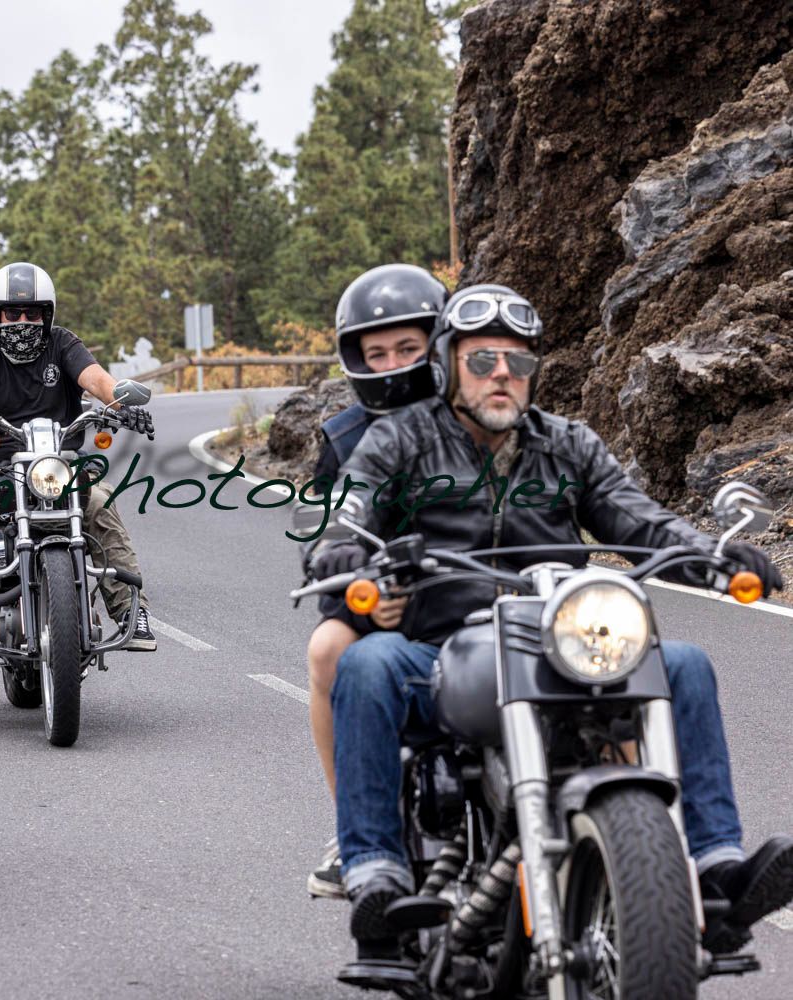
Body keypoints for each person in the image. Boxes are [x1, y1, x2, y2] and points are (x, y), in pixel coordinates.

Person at [312, 283, 793, 958]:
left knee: (684, 664)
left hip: (562, 643)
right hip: (445, 651)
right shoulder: (401, 439)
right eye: (483, 361)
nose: (501, 374)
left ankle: (715, 868)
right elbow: (354, 503)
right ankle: (375, 873)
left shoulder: (568, 444)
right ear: (448, 365)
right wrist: (344, 545)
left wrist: (715, 554)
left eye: (517, 362)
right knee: (365, 663)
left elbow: (639, 519)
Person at [303, 264, 447, 900]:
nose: (392, 366)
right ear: (354, 359)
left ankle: (641, 841)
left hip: (483, 592)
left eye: (408, 348)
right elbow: (323, 538)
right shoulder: (345, 440)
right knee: (327, 648)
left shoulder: (482, 415)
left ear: (438, 345)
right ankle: (354, 826)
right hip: (388, 596)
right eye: (377, 353)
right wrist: (360, 589)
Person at [0, 261, 157, 652]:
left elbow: (96, 379)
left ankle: (132, 612)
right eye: (12, 313)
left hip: (59, 462)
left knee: (101, 501)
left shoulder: (63, 344)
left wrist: (121, 404)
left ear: (47, 316)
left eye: (32, 314)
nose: (22, 322)